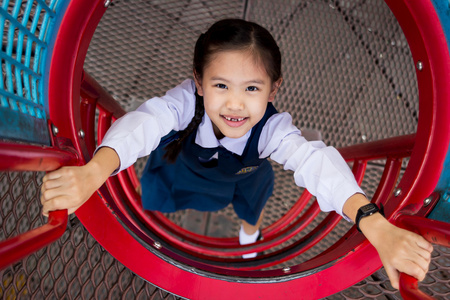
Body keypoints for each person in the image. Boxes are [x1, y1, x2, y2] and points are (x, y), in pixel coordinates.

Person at [41, 18, 432, 288]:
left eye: (251, 89)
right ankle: (209, 220)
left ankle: (249, 239)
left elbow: (314, 161)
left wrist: (375, 224)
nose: (235, 105)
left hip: (244, 175)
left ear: (273, 90)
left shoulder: (271, 130)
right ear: (198, 82)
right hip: (188, 167)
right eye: (221, 85)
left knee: (251, 207)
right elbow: (145, 123)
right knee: (166, 196)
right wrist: (93, 172)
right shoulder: (184, 104)